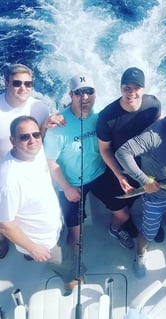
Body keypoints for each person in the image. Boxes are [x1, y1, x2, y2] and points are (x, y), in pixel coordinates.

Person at [115, 88, 166, 277]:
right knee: (149, 234)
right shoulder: (154, 134)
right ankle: (140, 254)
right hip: (155, 197)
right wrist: (144, 181)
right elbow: (122, 152)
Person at [0, 116, 83, 294]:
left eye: (36, 134)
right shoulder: (9, 180)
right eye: (24, 137)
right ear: (12, 140)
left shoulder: (34, 152)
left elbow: (37, 141)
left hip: (51, 226)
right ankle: (72, 283)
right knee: (69, 266)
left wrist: (45, 124)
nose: (33, 140)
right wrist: (33, 248)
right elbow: (5, 224)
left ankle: (29, 254)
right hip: (43, 241)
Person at [44, 73, 112, 252]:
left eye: (89, 91)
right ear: (70, 95)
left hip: (99, 174)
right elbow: (50, 161)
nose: (85, 97)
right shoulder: (58, 125)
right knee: (75, 235)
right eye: (79, 92)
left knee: (123, 213)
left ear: (96, 93)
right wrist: (66, 187)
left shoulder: (101, 116)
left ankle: (117, 229)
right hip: (71, 184)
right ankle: (74, 265)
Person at [0, 63, 62, 259]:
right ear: (6, 82)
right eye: (17, 83)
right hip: (6, 174)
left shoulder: (39, 107)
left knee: (32, 212)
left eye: (28, 84)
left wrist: (47, 125)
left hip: (36, 171)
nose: (23, 88)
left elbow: (38, 139)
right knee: (6, 215)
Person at [96, 67, 162, 248]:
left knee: (150, 197)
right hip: (119, 170)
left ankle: (151, 224)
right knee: (123, 210)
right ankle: (117, 228)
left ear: (144, 88)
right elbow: (105, 149)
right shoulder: (107, 117)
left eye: (136, 88)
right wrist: (120, 175)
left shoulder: (153, 104)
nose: (131, 93)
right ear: (120, 87)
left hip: (146, 166)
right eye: (127, 88)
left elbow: (158, 128)